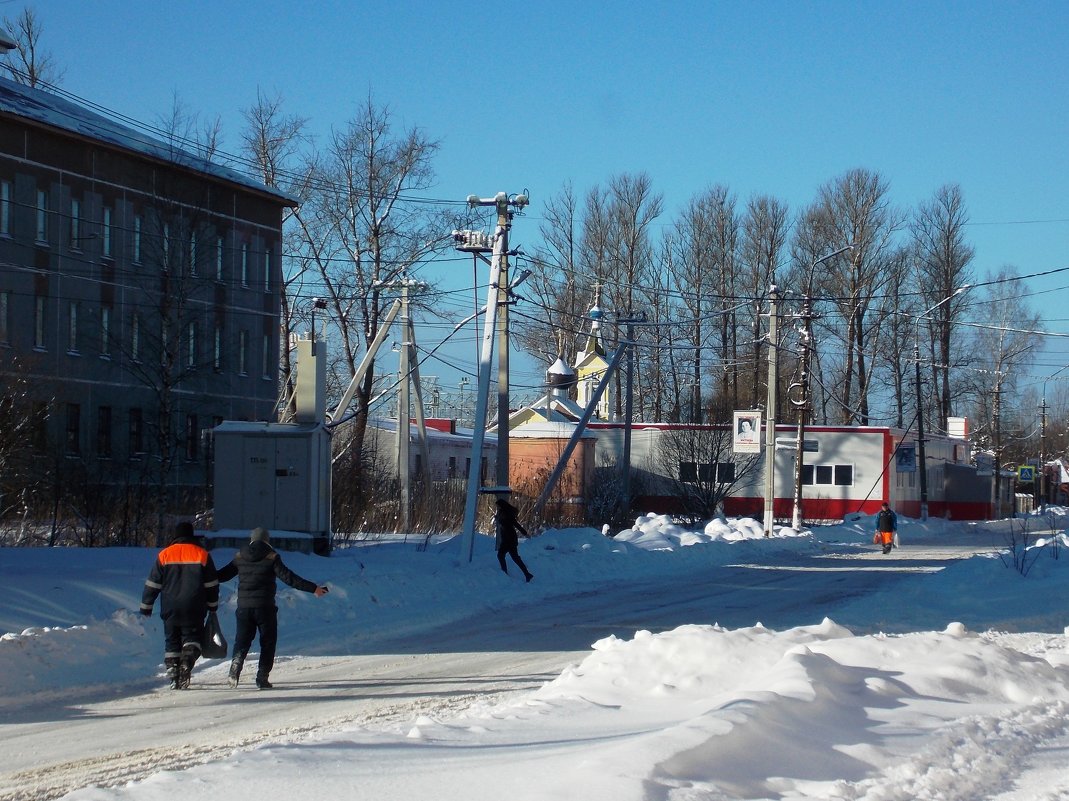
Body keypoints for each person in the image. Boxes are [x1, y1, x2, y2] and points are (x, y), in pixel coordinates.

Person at [216, 527, 328, 689]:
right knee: (268, 642)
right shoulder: (271, 557)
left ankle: (236, 664)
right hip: (265, 608)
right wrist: (313, 588)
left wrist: (200, 574)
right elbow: (290, 578)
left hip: (244, 607)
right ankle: (262, 677)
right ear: (267, 541)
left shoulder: (240, 557)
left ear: (252, 540)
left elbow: (222, 575)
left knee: (242, 640)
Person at [140, 521, 220, 690]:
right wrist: (212, 605)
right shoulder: (202, 554)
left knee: (172, 641)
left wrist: (146, 606)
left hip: (170, 607)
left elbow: (153, 583)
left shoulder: (165, 555)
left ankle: (173, 671)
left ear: (175, 536)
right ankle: (187, 661)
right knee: (192, 639)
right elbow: (211, 584)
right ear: (192, 536)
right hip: (194, 607)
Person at [494, 497, 534, 582]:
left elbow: (517, 525)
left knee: (501, 555)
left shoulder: (508, 515)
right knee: (514, 557)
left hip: (510, 539)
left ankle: (504, 573)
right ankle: (527, 574)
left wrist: (525, 534)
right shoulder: (501, 513)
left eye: (498, 506)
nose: (497, 508)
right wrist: (497, 518)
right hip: (506, 539)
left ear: (502, 506)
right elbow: (501, 521)